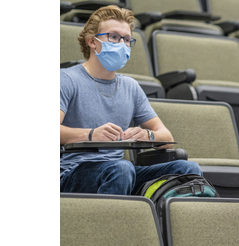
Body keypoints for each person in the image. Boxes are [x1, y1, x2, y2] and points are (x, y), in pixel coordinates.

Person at [60, 6, 202, 195]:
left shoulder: (131, 86)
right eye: (113, 37)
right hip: (72, 173)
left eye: (126, 39)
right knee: (121, 168)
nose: (121, 44)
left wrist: (148, 135)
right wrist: (91, 134)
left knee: (189, 170)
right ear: (92, 42)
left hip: (120, 172)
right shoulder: (66, 79)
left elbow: (167, 138)